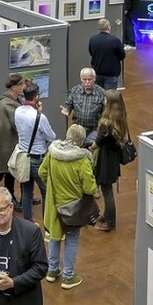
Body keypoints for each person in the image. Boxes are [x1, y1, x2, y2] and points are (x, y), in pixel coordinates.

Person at [40, 124, 98, 290]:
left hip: (53, 204)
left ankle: (51, 271)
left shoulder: (52, 153)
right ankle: (68, 276)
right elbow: (89, 188)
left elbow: (42, 172)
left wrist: (52, 185)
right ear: (81, 141)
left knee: (54, 236)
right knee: (72, 240)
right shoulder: (82, 160)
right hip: (73, 209)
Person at [13, 82, 55, 223]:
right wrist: (40, 113)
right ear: (36, 97)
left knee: (26, 192)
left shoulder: (18, 111)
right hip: (38, 160)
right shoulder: (39, 117)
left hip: (24, 158)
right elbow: (51, 136)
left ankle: (28, 224)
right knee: (46, 192)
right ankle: (48, 225)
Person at [0, 74, 26, 210]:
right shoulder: (6, 103)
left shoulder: (13, 100)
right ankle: (12, 199)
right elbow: (18, 121)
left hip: (12, 144)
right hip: (7, 145)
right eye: (21, 85)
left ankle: (25, 198)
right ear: (14, 87)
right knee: (9, 173)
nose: (24, 87)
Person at [93, 90, 130, 232]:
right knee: (108, 189)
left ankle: (110, 222)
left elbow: (97, 144)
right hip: (113, 160)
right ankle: (107, 215)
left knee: (107, 191)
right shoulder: (121, 119)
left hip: (105, 161)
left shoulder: (106, 124)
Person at [60, 67, 106, 139]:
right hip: (77, 129)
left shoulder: (102, 93)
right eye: (84, 79)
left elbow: (107, 112)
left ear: (94, 78)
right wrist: (67, 110)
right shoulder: (75, 91)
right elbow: (69, 104)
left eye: (89, 79)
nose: (87, 82)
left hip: (94, 130)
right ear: (81, 79)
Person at [88, 18, 126, 90]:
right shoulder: (115, 40)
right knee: (110, 96)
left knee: (99, 94)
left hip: (97, 71)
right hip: (111, 73)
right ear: (108, 27)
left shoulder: (93, 39)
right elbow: (122, 55)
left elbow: (91, 53)